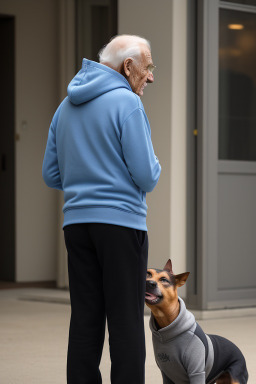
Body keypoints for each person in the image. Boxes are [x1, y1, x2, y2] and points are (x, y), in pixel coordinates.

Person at [42, 34, 161, 384]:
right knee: (125, 321)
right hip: (122, 226)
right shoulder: (128, 103)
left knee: (85, 318)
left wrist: (86, 183)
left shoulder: (65, 107)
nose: (150, 76)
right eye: (148, 66)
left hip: (77, 225)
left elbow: (51, 174)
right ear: (128, 66)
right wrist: (156, 163)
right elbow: (146, 175)